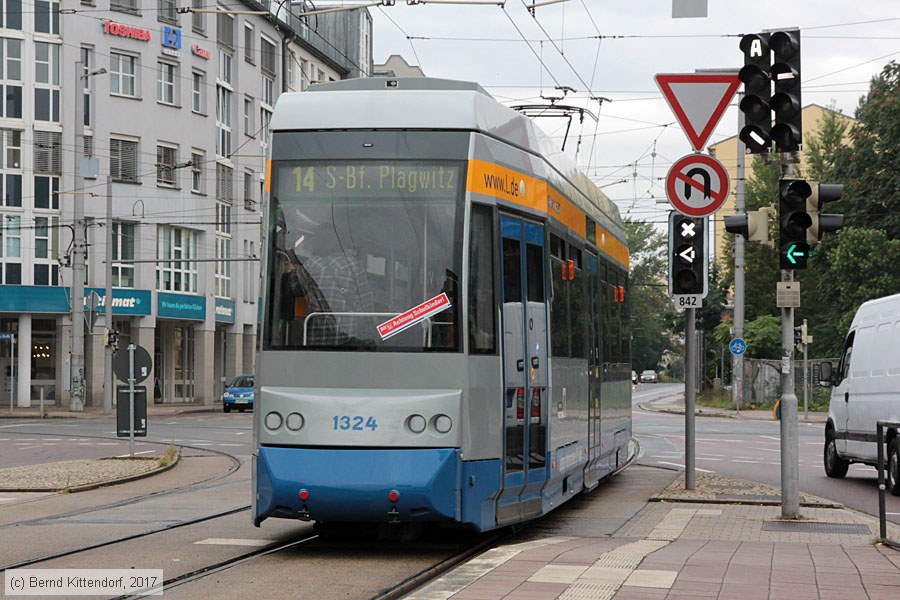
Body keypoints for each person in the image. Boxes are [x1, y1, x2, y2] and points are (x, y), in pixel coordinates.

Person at [296, 226, 375, 346]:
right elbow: (367, 303)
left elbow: (295, 288)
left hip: (319, 336)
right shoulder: (354, 266)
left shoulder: (312, 264)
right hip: (350, 336)